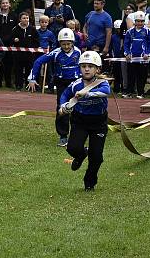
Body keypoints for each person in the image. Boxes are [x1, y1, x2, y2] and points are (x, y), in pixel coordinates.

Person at [59, 51, 111, 191]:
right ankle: (82, 154)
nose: (86, 69)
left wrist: (87, 93)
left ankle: (89, 183)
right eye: (83, 66)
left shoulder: (102, 83)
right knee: (72, 148)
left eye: (90, 66)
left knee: (97, 157)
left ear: (97, 69)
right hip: (80, 121)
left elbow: (106, 92)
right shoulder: (76, 84)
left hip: (98, 123)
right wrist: (63, 106)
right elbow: (64, 95)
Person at [28, 28, 81, 147]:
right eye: (63, 44)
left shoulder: (79, 52)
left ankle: (78, 134)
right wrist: (32, 78)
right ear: (59, 43)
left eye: (68, 43)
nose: (66, 46)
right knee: (62, 108)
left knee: (79, 109)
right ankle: (63, 136)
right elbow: (38, 62)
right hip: (62, 84)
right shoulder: (56, 52)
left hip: (77, 83)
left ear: (73, 42)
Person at [124, 12, 150, 99]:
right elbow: (126, 44)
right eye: (138, 21)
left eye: (142, 21)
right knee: (131, 75)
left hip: (143, 59)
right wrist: (127, 53)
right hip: (132, 59)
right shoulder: (129, 32)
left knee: (142, 76)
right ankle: (129, 92)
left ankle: (140, 92)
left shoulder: (148, 31)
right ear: (135, 21)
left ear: (144, 22)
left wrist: (147, 54)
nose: (140, 23)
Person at [0, 0, 17, 88]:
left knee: (9, 64)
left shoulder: (14, 16)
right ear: (0, 5)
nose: (5, 5)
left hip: (10, 44)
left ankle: (8, 83)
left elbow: (16, 30)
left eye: (6, 3)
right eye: (3, 3)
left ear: (9, 4)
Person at [11, 10, 39, 90]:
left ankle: (28, 86)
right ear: (20, 19)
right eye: (24, 18)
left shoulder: (32, 29)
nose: (26, 19)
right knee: (18, 71)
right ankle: (18, 86)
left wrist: (32, 47)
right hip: (18, 54)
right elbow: (10, 39)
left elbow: (37, 41)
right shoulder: (15, 29)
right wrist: (14, 40)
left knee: (29, 70)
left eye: (27, 18)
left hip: (29, 55)